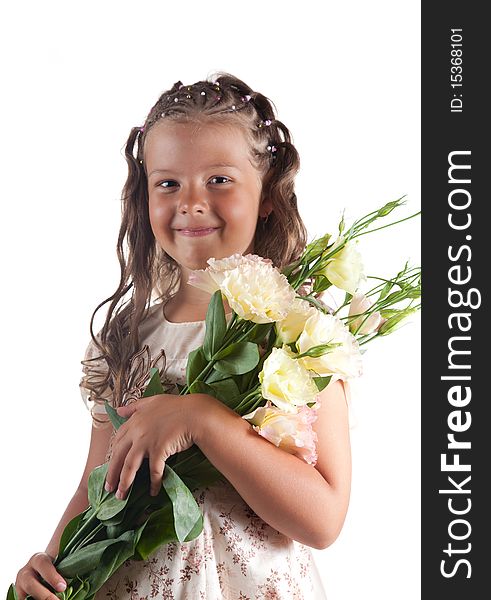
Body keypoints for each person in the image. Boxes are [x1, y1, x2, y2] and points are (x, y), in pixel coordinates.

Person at [14, 72, 351, 599]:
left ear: (266, 195)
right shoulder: (124, 340)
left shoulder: (296, 334)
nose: (191, 202)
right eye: (168, 183)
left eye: (218, 180)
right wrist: (52, 564)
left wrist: (203, 421)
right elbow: (98, 486)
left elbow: (323, 519)